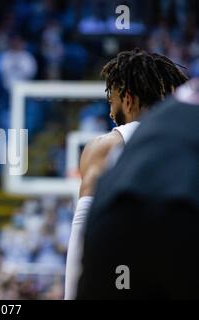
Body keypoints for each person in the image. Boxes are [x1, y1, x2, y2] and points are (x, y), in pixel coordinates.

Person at [64, 48, 188, 299]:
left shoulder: (107, 145)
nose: (110, 113)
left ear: (128, 100)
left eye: (112, 102)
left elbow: (82, 228)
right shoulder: (187, 140)